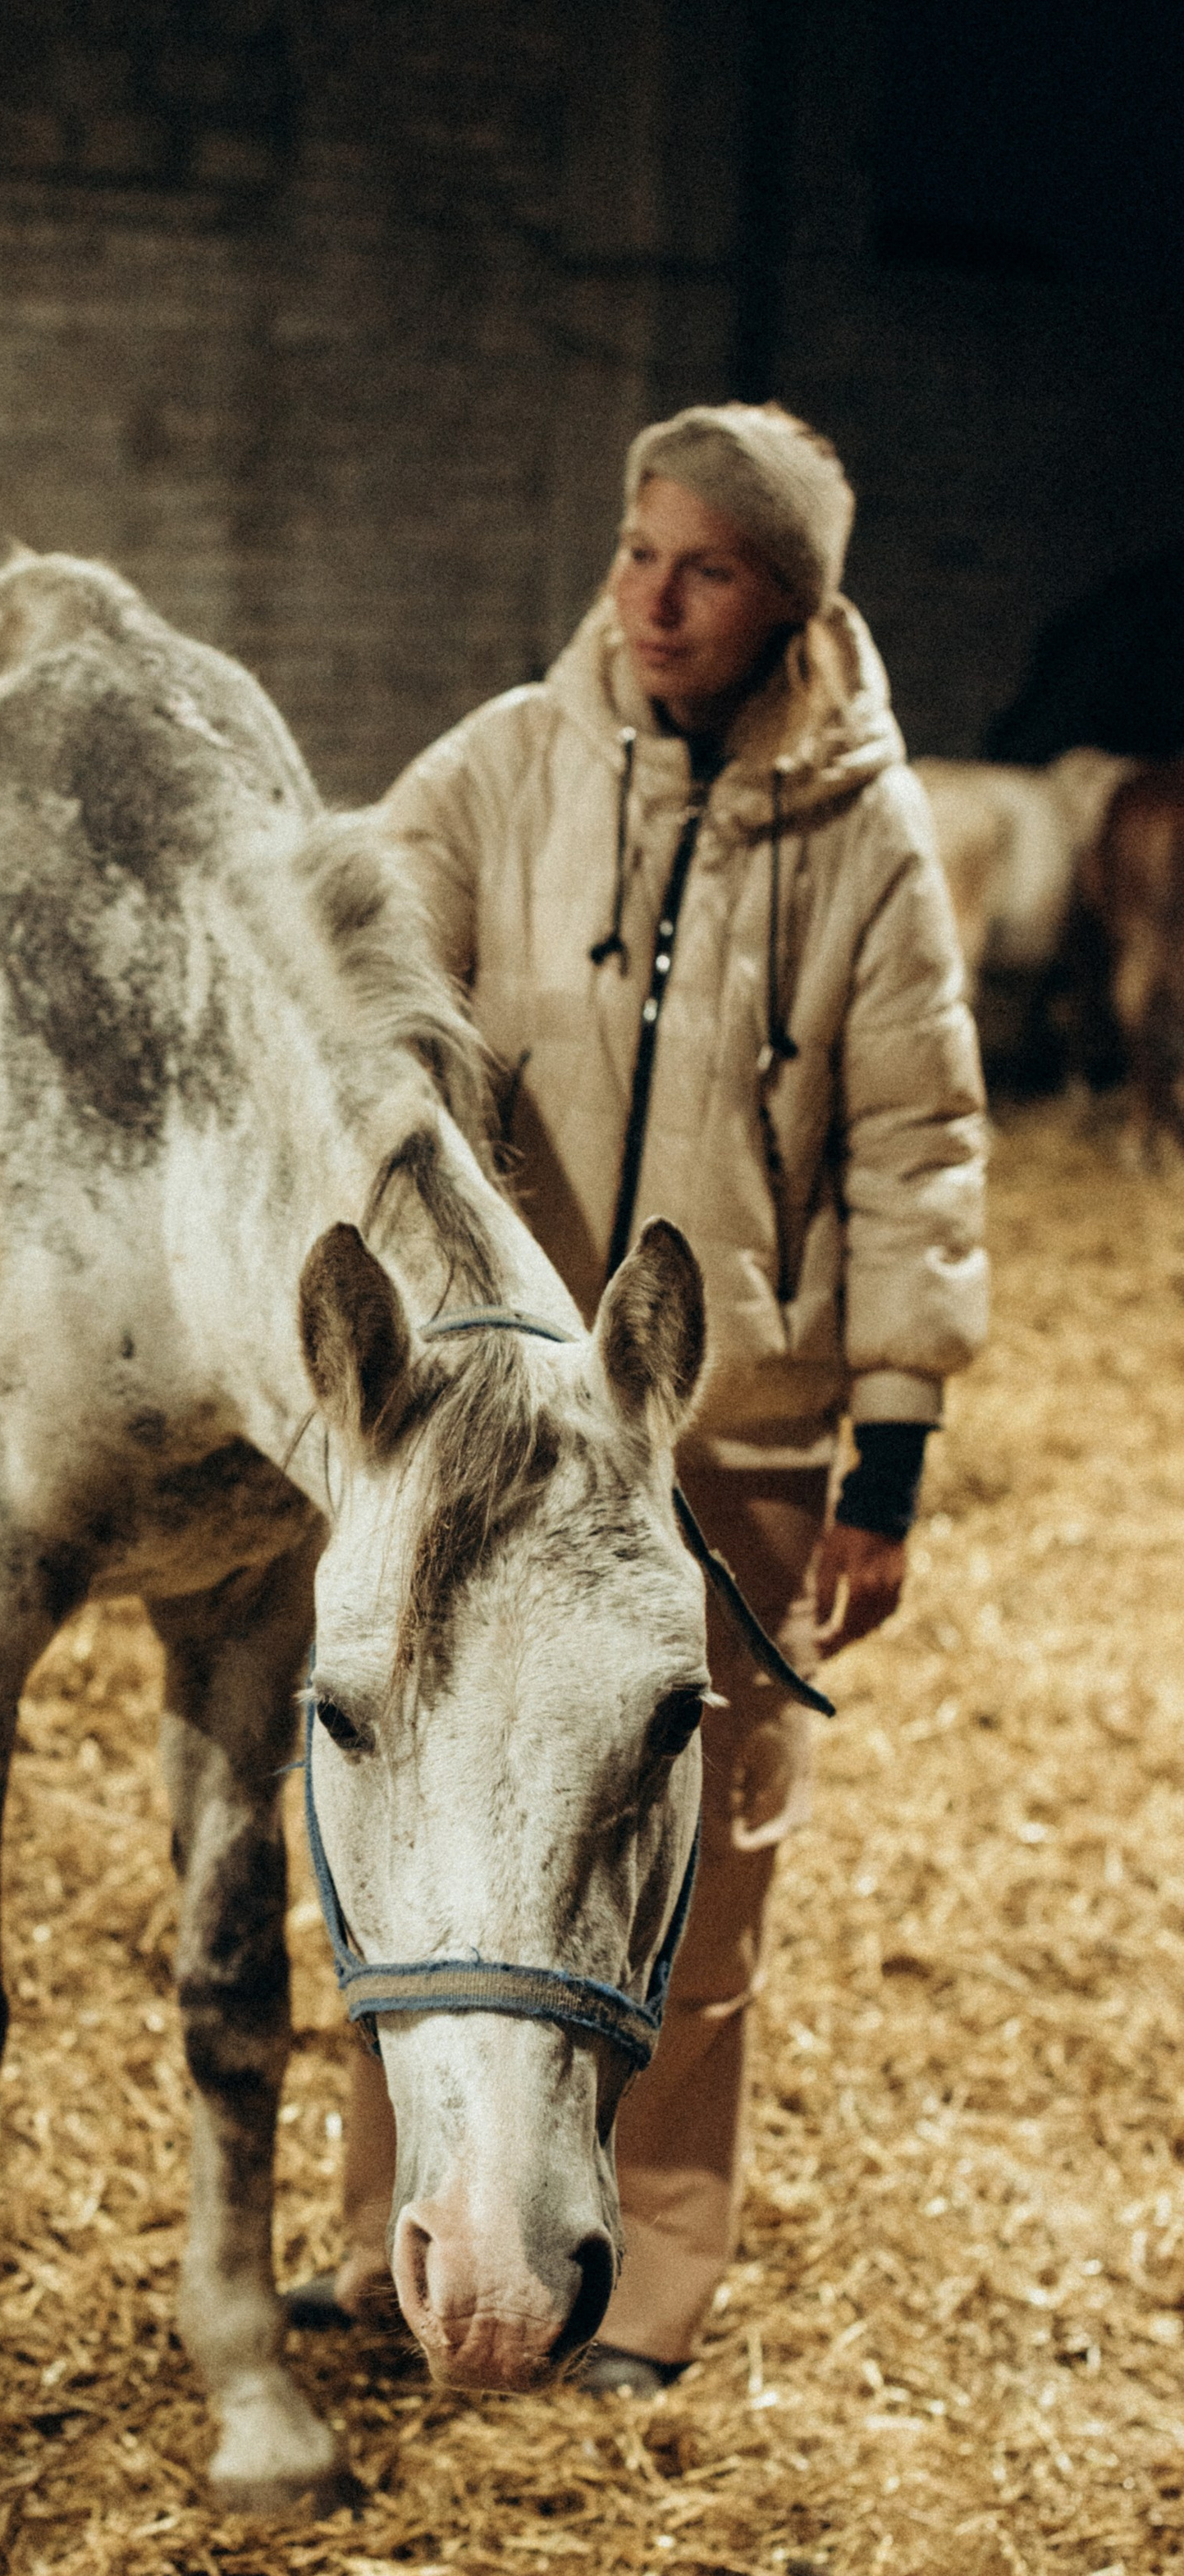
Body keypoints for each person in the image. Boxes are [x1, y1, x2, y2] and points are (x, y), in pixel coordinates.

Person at [294, 402, 988, 2397]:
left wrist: (896, 1441)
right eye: (631, 551)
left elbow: (921, 1138)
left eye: (702, 567)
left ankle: (642, 2286)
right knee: (428, 1828)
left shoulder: (868, 833)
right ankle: (390, 2243)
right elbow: (348, 948)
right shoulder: (507, 763)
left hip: (736, 1415)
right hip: (504, 1415)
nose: (649, 597)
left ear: (790, 600)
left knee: (684, 1876)